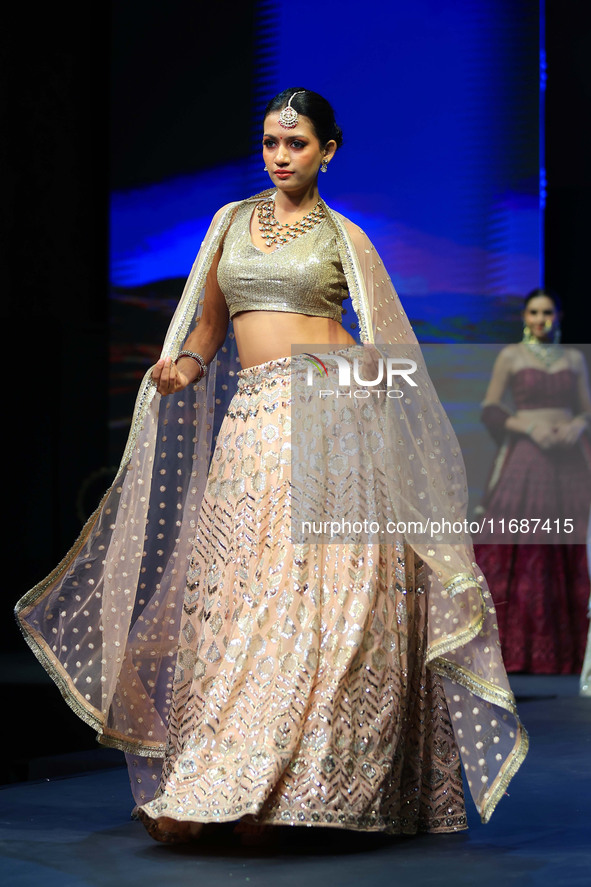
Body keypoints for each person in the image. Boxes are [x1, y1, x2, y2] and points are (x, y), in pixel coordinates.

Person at [15, 88, 527, 844]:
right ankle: (226, 765)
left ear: (328, 151)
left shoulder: (347, 239)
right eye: (269, 143)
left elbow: (386, 348)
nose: (280, 156)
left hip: (329, 418)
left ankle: (301, 778)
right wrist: (183, 368)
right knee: (238, 603)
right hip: (249, 429)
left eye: (295, 144)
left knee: (311, 601)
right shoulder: (227, 225)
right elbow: (209, 330)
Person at [473, 290, 591, 674]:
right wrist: (529, 428)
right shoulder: (512, 356)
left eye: (548, 312)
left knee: (574, 541)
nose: (541, 318)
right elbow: (490, 407)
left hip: (571, 457)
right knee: (524, 540)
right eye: (534, 312)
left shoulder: (573, 357)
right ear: (525, 315)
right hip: (529, 455)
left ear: (558, 315)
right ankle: (513, 652)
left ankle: (575, 654)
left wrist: (578, 425)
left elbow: (587, 409)